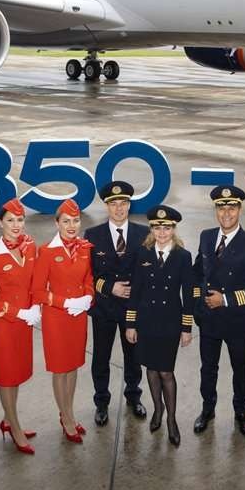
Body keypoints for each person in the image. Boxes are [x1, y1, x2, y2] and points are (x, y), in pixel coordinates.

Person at [192, 186, 245, 437]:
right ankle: (207, 409)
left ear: (239, 210)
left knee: (241, 369)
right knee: (208, 369)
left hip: (237, 321)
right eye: (221, 208)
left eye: (231, 208)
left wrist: (224, 299)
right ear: (216, 210)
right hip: (209, 319)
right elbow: (197, 273)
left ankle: (241, 412)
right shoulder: (206, 237)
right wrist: (198, 303)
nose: (226, 213)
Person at [124, 205, 195, 447]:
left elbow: (189, 294)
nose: (162, 232)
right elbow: (135, 290)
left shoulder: (183, 256)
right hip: (146, 321)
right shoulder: (142, 253)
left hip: (170, 322)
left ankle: (171, 420)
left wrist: (186, 328)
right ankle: (158, 409)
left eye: (166, 228)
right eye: (157, 228)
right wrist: (131, 323)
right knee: (151, 369)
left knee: (166, 372)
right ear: (151, 229)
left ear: (173, 229)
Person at [0, 198, 40, 455]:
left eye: (20, 220)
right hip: (5, 326)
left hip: (25, 324)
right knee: (7, 377)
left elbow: (36, 282)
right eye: (10, 220)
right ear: (0, 223)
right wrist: (17, 312)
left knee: (17, 375)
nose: (16, 225)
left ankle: (8, 419)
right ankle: (14, 427)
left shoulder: (30, 247)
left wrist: (36, 306)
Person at [84, 181, 148, 426]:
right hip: (104, 308)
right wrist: (110, 287)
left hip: (133, 308)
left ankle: (134, 396)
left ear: (129, 205)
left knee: (134, 355)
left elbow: (149, 270)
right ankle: (101, 402)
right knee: (101, 357)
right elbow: (87, 274)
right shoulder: (93, 235)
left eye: (123, 203)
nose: (119, 208)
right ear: (106, 206)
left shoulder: (144, 234)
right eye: (114, 204)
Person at [32, 198, 94, 444]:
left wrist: (88, 297)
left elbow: (89, 278)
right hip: (57, 318)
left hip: (78, 317)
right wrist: (66, 302)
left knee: (74, 365)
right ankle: (66, 417)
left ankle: (69, 412)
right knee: (60, 369)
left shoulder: (85, 248)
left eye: (75, 221)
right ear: (56, 223)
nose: (71, 226)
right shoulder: (47, 251)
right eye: (66, 221)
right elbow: (37, 292)